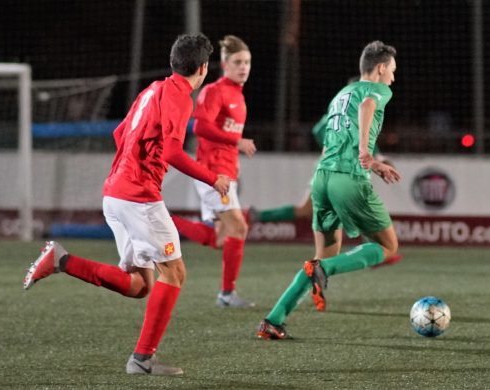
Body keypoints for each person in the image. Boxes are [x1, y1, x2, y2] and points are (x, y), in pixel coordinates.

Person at [23, 33, 231, 375]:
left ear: (173, 62)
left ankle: (61, 259)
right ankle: (142, 360)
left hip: (115, 192)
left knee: (139, 285)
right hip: (138, 197)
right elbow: (173, 152)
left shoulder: (152, 90)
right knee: (175, 272)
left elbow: (119, 133)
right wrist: (213, 178)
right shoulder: (180, 98)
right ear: (204, 68)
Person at [257, 40, 401, 340]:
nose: (393, 78)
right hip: (349, 179)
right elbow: (368, 106)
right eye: (392, 71)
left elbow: (333, 136)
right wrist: (367, 154)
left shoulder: (340, 95)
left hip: (322, 179)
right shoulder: (376, 91)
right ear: (381, 67)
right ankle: (325, 271)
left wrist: (371, 162)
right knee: (388, 247)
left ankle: (274, 319)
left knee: (320, 260)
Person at [170, 35, 256, 308]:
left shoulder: (238, 96)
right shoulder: (215, 91)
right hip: (211, 172)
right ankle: (227, 295)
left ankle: (166, 220)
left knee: (221, 237)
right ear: (224, 64)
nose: (243, 67)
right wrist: (237, 141)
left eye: (247, 62)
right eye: (238, 62)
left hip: (227, 171)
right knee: (239, 227)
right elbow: (199, 127)